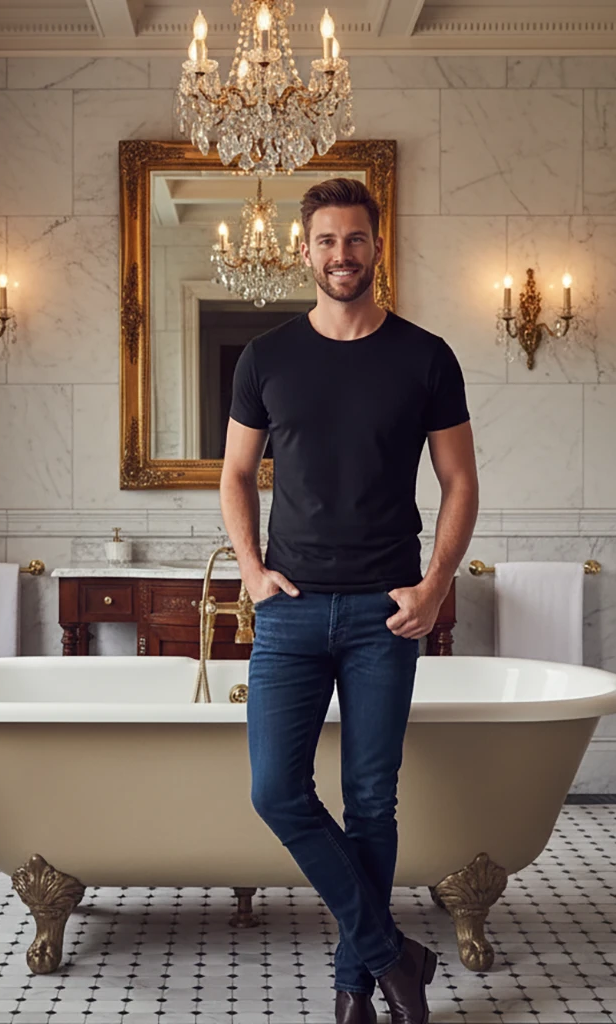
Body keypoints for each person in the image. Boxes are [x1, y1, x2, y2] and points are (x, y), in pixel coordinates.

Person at [219, 177, 479, 1024]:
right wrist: (252, 571)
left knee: (372, 797)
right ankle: (393, 951)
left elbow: (460, 481)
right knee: (275, 791)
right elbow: (233, 476)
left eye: (356, 240)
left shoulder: (426, 355)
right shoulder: (266, 358)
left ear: (377, 245)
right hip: (289, 611)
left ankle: (355, 988)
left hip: (385, 611)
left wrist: (436, 587)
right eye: (326, 241)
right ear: (304, 250)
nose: (341, 255)